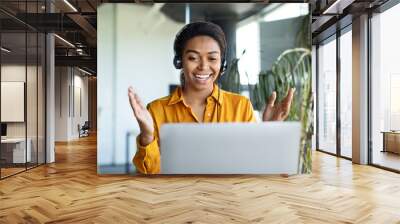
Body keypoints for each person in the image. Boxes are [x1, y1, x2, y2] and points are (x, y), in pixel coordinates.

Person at [128, 21, 295, 174]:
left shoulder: (241, 106)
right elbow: (150, 175)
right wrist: (147, 136)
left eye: (212, 58)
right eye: (193, 58)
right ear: (180, 61)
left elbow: (255, 165)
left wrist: (270, 131)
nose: (203, 66)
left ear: (221, 63)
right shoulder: (156, 110)